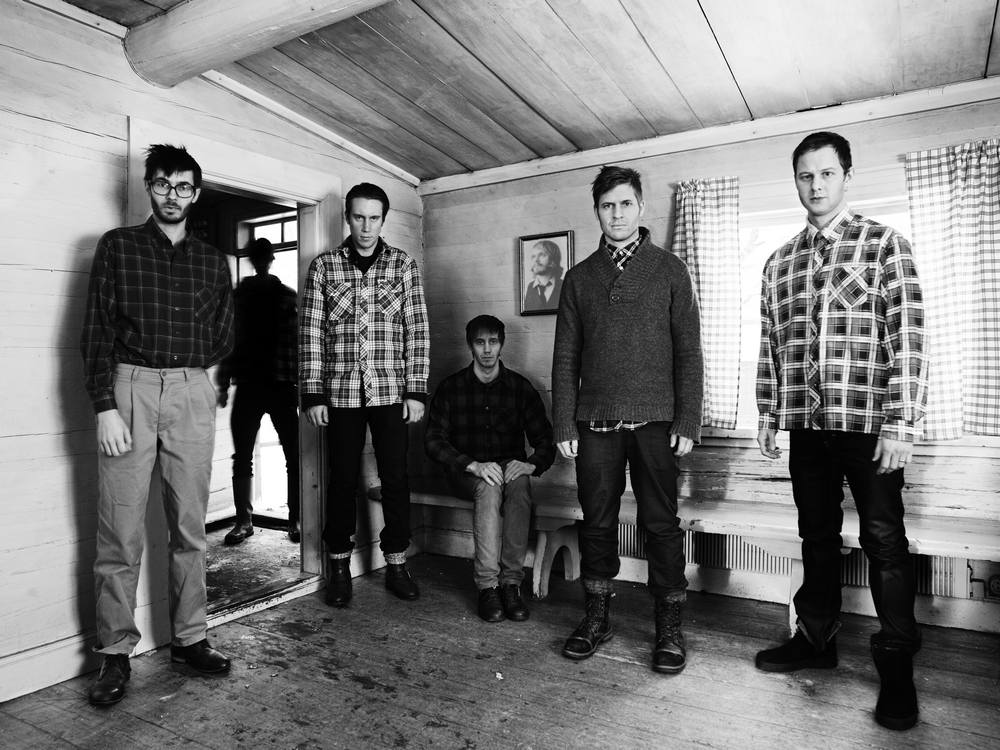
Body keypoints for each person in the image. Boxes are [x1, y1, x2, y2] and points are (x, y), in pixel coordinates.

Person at [754, 131, 928, 731]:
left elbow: (908, 337)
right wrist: (769, 413)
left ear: (847, 177)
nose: (816, 185)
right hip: (807, 426)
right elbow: (771, 345)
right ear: (796, 181)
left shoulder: (885, 245)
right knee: (817, 537)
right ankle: (816, 640)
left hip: (871, 427)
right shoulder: (779, 262)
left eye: (827, 174)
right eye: (805, 175)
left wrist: (902, 422)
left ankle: (897, 665)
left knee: (884, 542)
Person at [80, 144, 235, 706]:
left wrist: (194, 381)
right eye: (164, 184)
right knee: (120, 530)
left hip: (192, 390)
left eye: (184, 186)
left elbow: (223, 334)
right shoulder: (117, 246)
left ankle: (190, 639)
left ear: (197, 193)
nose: (174, 195)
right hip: (130, 390)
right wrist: (105, 405)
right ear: (149, 186)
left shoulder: (213, 262)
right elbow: (97, 328)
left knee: (190, 526)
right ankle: (115, 653)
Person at [551, 165, 704, 673]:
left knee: (661, 524)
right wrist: (563, 423)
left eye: (624, 204)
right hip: (594, 423)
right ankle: (597, 618)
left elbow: (689, 351)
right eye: (606, 206)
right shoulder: (579, 278)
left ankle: (669, 629)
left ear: (641, 207)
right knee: (596, 522)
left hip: (658, 422)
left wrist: (688, 419)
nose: (616, 214)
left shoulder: (670, 269)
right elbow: (566, 358)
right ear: (597, 211)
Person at [300, 182, 429, 607]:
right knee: (341, 480)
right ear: (348, 218)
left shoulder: (403, 265)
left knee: (395, 478)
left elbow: (417, 331)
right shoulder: (324, 267)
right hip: (339, 394)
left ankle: (396, 563)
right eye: (359, 217)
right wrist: (313, 394)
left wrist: (416, 390)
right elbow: (311, 334)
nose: (366, 226)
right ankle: (339, 567)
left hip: (391, 392)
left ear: (383, 219)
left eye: (374, 218)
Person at [425, 315, 556, 622]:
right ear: (470, 345)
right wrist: (472, 465)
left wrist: (531, 464)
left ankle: (511, 585)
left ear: (502, 344)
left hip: (508, 472)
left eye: (493, 342)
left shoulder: (520, 388)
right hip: (466, 474)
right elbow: (432, 441)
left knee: (519, 482)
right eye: (480, 342)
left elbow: (546, 440)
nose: (487, 349)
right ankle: (487, 587)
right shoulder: (451, 388)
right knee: (488, 484)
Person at [216, 238, 300, 545]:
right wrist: (223, 383)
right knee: (242, 456)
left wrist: (304, 386)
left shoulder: (288, 295)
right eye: (258, 257)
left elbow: (299, 343)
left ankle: (296, 519)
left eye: (266, 257)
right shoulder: (238, 297)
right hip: (249, 384)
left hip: (282, 384)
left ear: (271, 259)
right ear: (253, 260)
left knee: (294, 455)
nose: (262, 261)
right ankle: (244, 521)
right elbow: (230, 341)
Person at [522, 239, 565, 312]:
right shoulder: (529, 288)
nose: (536, 260)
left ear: (553, 261)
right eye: (533, 256)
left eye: (542, 255)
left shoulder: (564, 285)